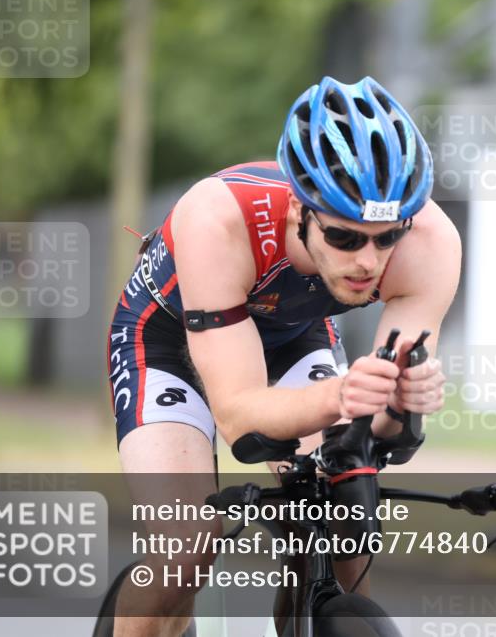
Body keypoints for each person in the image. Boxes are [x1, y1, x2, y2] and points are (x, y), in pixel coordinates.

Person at [105, 76, 459, 637]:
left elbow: (382, 436)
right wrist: (341, 394)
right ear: (299, 209)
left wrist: (400, 404)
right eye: (345, 238)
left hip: (294, 333)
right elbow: (240, 417)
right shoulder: (217, 218)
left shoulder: (430, 244)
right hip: (166, 339)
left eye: (386, 236)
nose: (369, 261)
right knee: (186, 549)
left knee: (342, 534)